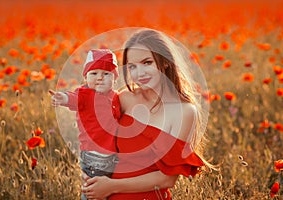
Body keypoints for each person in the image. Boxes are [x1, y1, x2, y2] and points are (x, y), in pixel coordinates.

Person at [81, 29, 213, 200]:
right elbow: (98, 138)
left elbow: (167, 179)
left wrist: (111, 186)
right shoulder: (124, 99)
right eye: (132, 67)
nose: (139, 73)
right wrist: (89, 173)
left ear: (165, 61)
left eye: (147, 62)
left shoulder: (185, 112)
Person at [49, 49, 121, 200]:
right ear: (86, 77)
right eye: (94, 74)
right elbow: (72, 98)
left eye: (106, 74)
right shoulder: (85, 95)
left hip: (113, 156)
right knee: (93, 193)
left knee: (109, 193)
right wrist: (62, 98)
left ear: (115, 79)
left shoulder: (115, 97)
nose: (100, 78)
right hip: (94, 157)